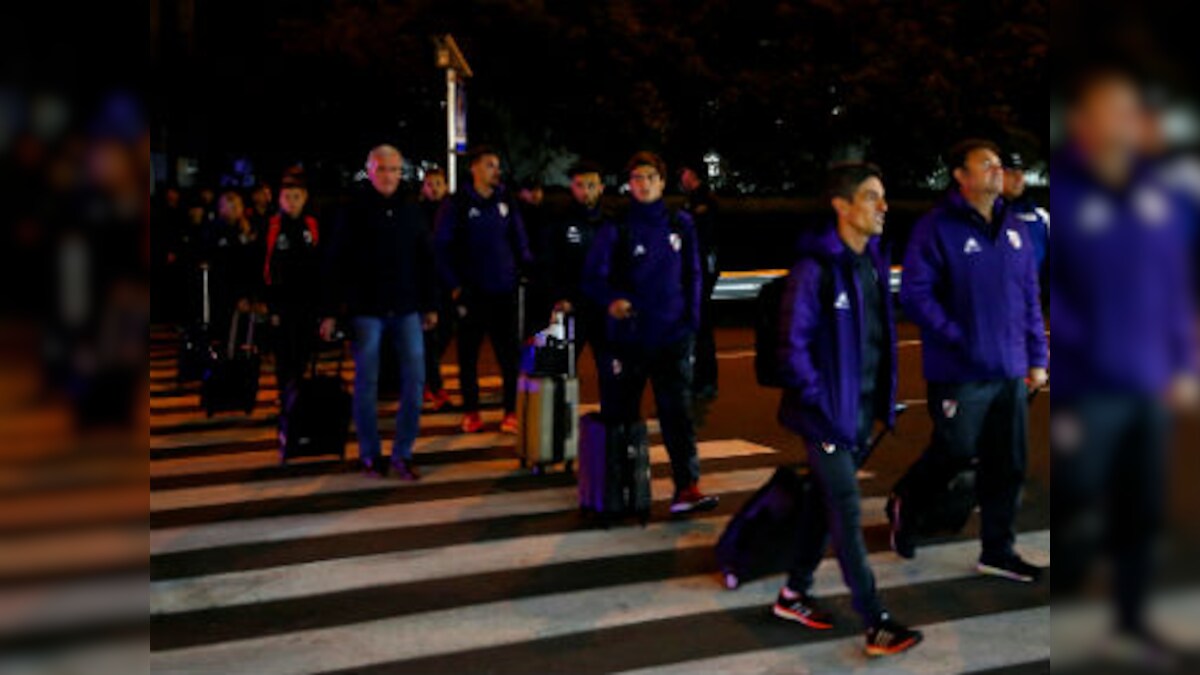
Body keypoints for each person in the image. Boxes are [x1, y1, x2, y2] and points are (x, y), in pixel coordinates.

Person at [1050, 66, 1197, 665]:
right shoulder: (1064, 194)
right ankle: (1062, 602)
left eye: (1131, 111)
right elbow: (1051, 292)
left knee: (1142, 508)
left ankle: (1131, 621)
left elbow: (1176, 285)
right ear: (1084, 122)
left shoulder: (1159, 195)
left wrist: (1182, 361)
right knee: (1077, 494)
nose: (1125, 122)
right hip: (1088, 389)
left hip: (1152, 386)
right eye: (1112, 109)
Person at [773, 162, 921, 656]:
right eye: (872, 197)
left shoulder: (872, 262)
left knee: (822, 503)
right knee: (846, 511)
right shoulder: (814, 268)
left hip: (857, 416)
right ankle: (876, 621)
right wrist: (822, 405)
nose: (883, 207)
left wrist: (881, 402)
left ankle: (794, 592)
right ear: (841, 205)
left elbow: (877, 341)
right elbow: (791, 349)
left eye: (883, 197)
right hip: (827, 419)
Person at [888, 139, 1049, 583]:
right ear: (960, 175)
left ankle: (998, 550)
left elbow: (1029, 298)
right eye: (986, 164)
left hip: (1010, 370)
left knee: (1008, 463)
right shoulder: (937, 228)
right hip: (959, 371)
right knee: (955, 451)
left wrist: (1038, 357)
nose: (998, 171)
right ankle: (908, 500)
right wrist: (959, 336)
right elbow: (916, 294)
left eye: (1000, 164)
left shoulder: (1016, 228)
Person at [582, 151, 718, 515]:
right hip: (627, 339)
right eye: (637, 178)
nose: (643, 184)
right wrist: (612, 299)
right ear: (629, 184)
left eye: (650, 177)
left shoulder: (681, 223)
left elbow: (694, 274)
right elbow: (593, 278)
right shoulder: (617, 227)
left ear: (662, 182)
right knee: (621, 415)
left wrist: (692, 320)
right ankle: (618, 489)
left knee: (678, 415)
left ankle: (686, 487)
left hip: (673, 336)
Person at [320, 144, 437, 480]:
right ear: (370, 171)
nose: (389, 176)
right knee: (366, 382)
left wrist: (430, 304)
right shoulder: (353, 210)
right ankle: (370, 453)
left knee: (415, 380)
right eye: (382, 169)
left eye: (394, 170)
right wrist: (330, 311)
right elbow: (335, 262)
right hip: (366, 308)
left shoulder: (412, 210)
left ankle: (403, 452)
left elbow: (426, 259)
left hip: (406, 306)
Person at [434, 145, 531, 434]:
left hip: (504, 291)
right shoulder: (457, 203)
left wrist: (526, 269)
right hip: (471, 292)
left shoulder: (506, 200)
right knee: (468, 354)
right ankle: (472, 411)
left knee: (509, 355)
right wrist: (453, 285)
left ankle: (510, 412)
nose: (495, 170)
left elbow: (519, 239)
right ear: (474, 168)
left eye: (496, 165)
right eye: (489, 164)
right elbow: (440, 247)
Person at [544, 160, 609, 367]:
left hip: (605, 307)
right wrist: (559, 297)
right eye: (579, 185)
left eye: (591, 185)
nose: (585, 191)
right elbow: (550, 263)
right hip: (571, 306)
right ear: (572, 187)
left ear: (601, 188)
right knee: (563, 368)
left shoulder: (612, 223)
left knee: (611, 371)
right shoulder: (559, 221)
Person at [262, 170, 320, 393]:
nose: (292, 202)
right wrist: (270, 304)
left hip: (307, 302)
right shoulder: (273, 226)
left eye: (296, 197)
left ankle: (298, 394)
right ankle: (286, 395)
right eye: (287, 197)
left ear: (304, 197)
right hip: (282, 304)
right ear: (279, 199)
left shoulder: (312, 225)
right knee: (284, 353)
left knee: (303, 351)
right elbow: (266, 266)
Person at [679, 165, 720, 400]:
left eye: (684, 174)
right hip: (698, 270)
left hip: (701, 271)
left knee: (702, 326)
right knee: (697, 327)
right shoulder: (694, 201)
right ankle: (700, 379)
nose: (681, 178)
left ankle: (705, 381)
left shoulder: (703, 202)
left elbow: (703, 238)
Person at [418, 167, 452, 410]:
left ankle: (427, 378)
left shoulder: (453, 211)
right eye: (430, 184)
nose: (435, 188)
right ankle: (434, 384)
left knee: (446, 331)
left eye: (439, 183)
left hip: (449, 281)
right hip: (426, 283)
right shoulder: (418, 214)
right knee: (429, 336)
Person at [1001, 152, 1049, 293]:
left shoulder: (1040, 217)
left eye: (1022, 171)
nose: (1019, 177)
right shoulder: (979, 216)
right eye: (1010, 172)